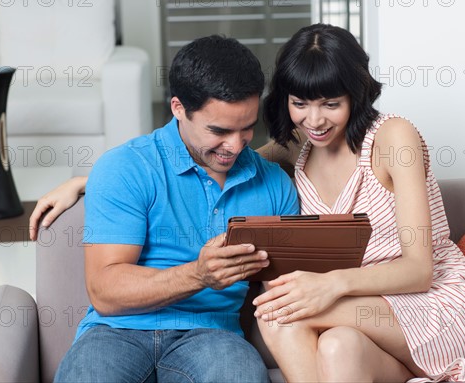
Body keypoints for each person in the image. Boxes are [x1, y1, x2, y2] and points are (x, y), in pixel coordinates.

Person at [31, 24, 465, 382]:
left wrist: (332, 285)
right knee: (335, 347)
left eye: (332, 102)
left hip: (423, 301)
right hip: (124, 332)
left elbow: (418, 268)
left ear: (356, 94)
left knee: (279, 310)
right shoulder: (298, 147)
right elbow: (211, 164)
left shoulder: (378, 141)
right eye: (300, 104)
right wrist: (94, 178)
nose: (316, 119)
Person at [49, 35, 299, 382]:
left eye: (247, 129)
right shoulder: (126, 167)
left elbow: (286, 289)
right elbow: (105, 290)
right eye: (219, 130)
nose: (235, 145)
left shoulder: (274, 185)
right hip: (116, 332)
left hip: (213, 336)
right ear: (178, 108)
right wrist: (198, 274)